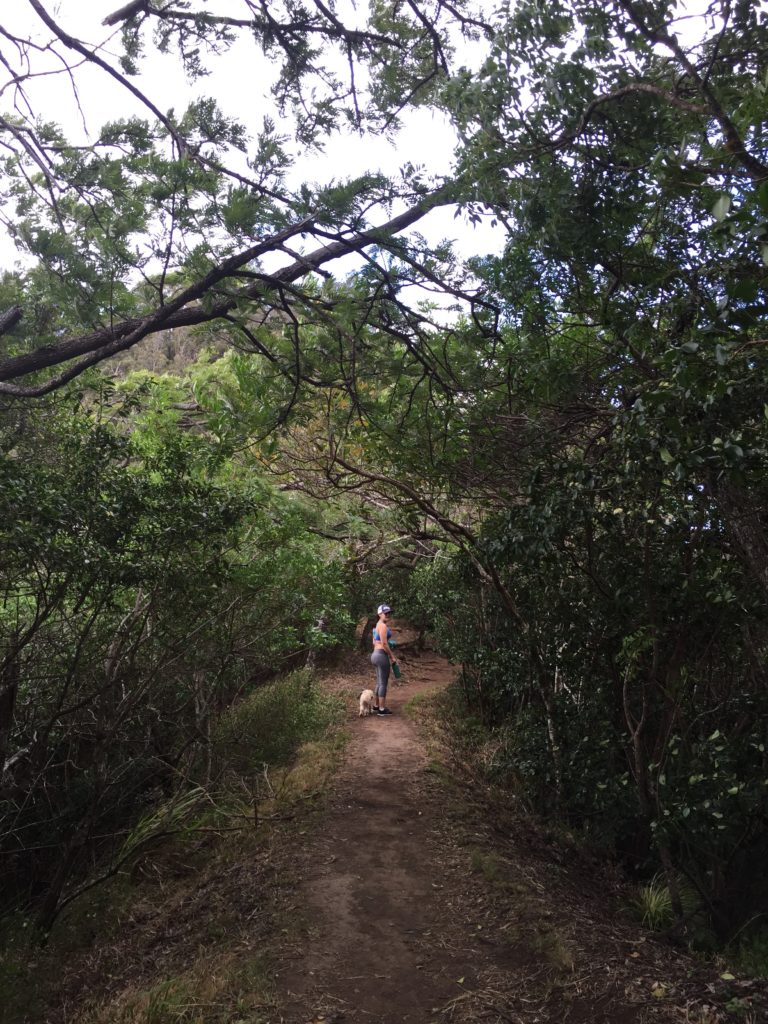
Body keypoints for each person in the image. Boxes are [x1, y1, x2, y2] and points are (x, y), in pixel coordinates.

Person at [371, 603, 398, 716]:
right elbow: (384, 644)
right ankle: (382, 709)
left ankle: (377, 706)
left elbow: (374, 642)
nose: (387, 615)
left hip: (375, 655)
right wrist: (392, 657)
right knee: (383, 683)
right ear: (379, 614)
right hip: (381, 656)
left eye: (388, 613)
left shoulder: (377, 625)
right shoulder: (382, 626)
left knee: (379, 682)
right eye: (385, 613)